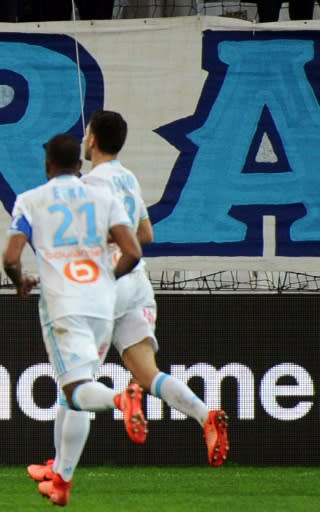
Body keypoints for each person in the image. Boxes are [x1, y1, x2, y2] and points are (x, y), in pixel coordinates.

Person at [26, 112, 230, 493]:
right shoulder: (128, 177)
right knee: (148, 374)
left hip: (106, 286)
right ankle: (205, 415)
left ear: (92, 140)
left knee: (76, 385)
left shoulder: (87, 186)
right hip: (136, 283)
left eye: (87, 133)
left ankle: (61, 471)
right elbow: (146, 234)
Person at [2, 133, 146, 507]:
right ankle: (62, 481)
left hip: (64, 304)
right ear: (79, 167)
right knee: (79, 386)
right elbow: (133, 250)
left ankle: (120, 399)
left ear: (48, 165)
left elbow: (11, 257)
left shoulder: (30, 200)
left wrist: (21, 283)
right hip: (102, 304)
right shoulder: (104, 196)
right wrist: (106, 280)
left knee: (75, 390)